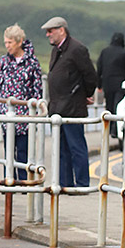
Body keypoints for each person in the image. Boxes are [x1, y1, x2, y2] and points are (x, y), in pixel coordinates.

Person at [41, 16, 97, 188]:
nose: (48, 35)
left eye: (50, 31)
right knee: (61, 149)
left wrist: (85, 94)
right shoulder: (56, 50)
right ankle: (65, 183)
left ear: (61, 30)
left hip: (72, 107)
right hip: (57, 106)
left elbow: (90, 75)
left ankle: (82, 183)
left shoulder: (77, 49)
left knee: (76, 147)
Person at [0, 24, 42, 180]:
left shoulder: (33, 63)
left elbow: (37, 90)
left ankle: (23, 181)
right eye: (5, 43)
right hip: (7, 113)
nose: (7, 46)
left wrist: (35, 111)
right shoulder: (3, 62)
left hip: (25, 115)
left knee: (23, 150)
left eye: (10, 43)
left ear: (19, 41)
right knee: (8, 149)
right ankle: (9, 180)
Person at [96, 32, 125, 139]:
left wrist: (99, 85)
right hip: (120, 83)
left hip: (107, 83)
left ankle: (108, 129)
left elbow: (99, 69)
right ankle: (115, 130)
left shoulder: (104, 52)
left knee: (109, 106)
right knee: (118, 106)